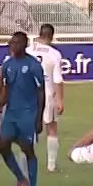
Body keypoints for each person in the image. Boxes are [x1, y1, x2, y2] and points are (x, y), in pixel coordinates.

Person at [0, 32, 45, 186]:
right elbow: (8, 88)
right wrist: (0, 104)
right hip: (11, 113)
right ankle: (21, 179)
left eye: (17, 43)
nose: (13, 46)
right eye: (11, 43)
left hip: (28, 113)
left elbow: (41, 92)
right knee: (3, 146)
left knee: (27, 149)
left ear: (25, 44)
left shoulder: (33, 65)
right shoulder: (8, 64)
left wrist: (39, 118)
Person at [30, 24, 66, 175]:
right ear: (51, 36)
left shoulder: (29, 50)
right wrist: (60, 100)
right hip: (48, 94)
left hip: (29, 94)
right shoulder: (54, 54)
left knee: (30, 129)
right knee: (51, 128)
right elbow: (58, 79)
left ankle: (28, 162)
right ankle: (51, 165)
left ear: (39, 35)